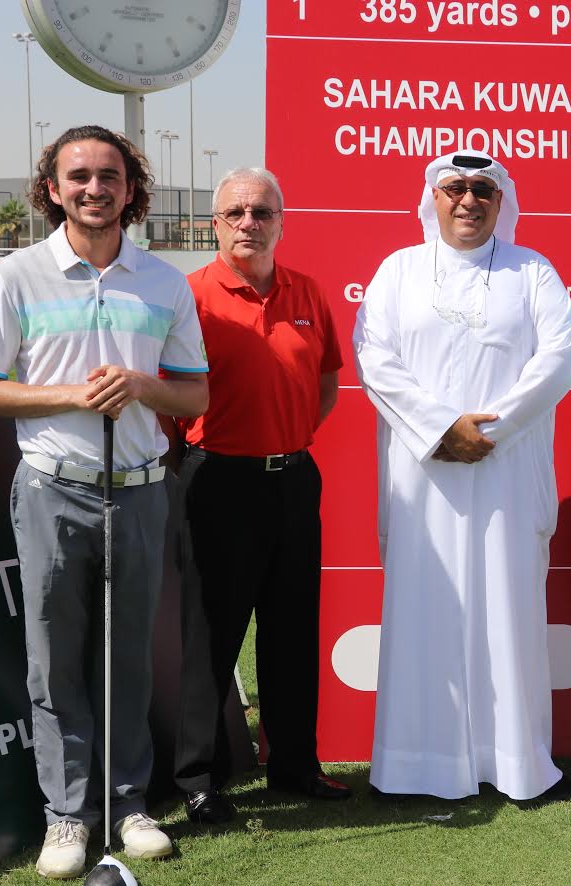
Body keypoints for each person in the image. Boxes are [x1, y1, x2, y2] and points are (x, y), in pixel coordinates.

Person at [0, 125, 209, 879]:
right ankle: (67, 816)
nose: (94, 188)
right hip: (52, 489)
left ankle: (129, 803)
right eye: (78, 176)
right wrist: (71, 394)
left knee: (127, 659)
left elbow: (194, 391)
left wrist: (139, 386)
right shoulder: (17, 275)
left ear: (132, 189)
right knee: (55, 664)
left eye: (110, 175)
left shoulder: (163, 282)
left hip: (139, 490)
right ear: (53, 188)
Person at [352, 149, 571, 801]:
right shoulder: (397, 271)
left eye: (483, 190)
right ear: (433, 197)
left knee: (507, 612)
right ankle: (412, 764)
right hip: (423, 476)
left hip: (506, 473)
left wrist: (490, 430)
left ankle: (514, 764)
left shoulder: (531, 272)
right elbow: (375, 359)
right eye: (454, 188)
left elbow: (558, 360)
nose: (468, 200)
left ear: (500, 202)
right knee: (422, 612)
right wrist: (439, 430)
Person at [170, 168, 350, 825]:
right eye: (236, 213)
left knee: (292, 630)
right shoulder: (189, 296)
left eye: (262, 212)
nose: (250, 223)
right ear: (214, 225)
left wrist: (287, 441)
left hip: (293, 479)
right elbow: (169, 402)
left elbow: (324, 384)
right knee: (212, 634)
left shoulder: (307, 291)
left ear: (281, 220)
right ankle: (199, 778)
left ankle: (294, 764)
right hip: (217, 480)